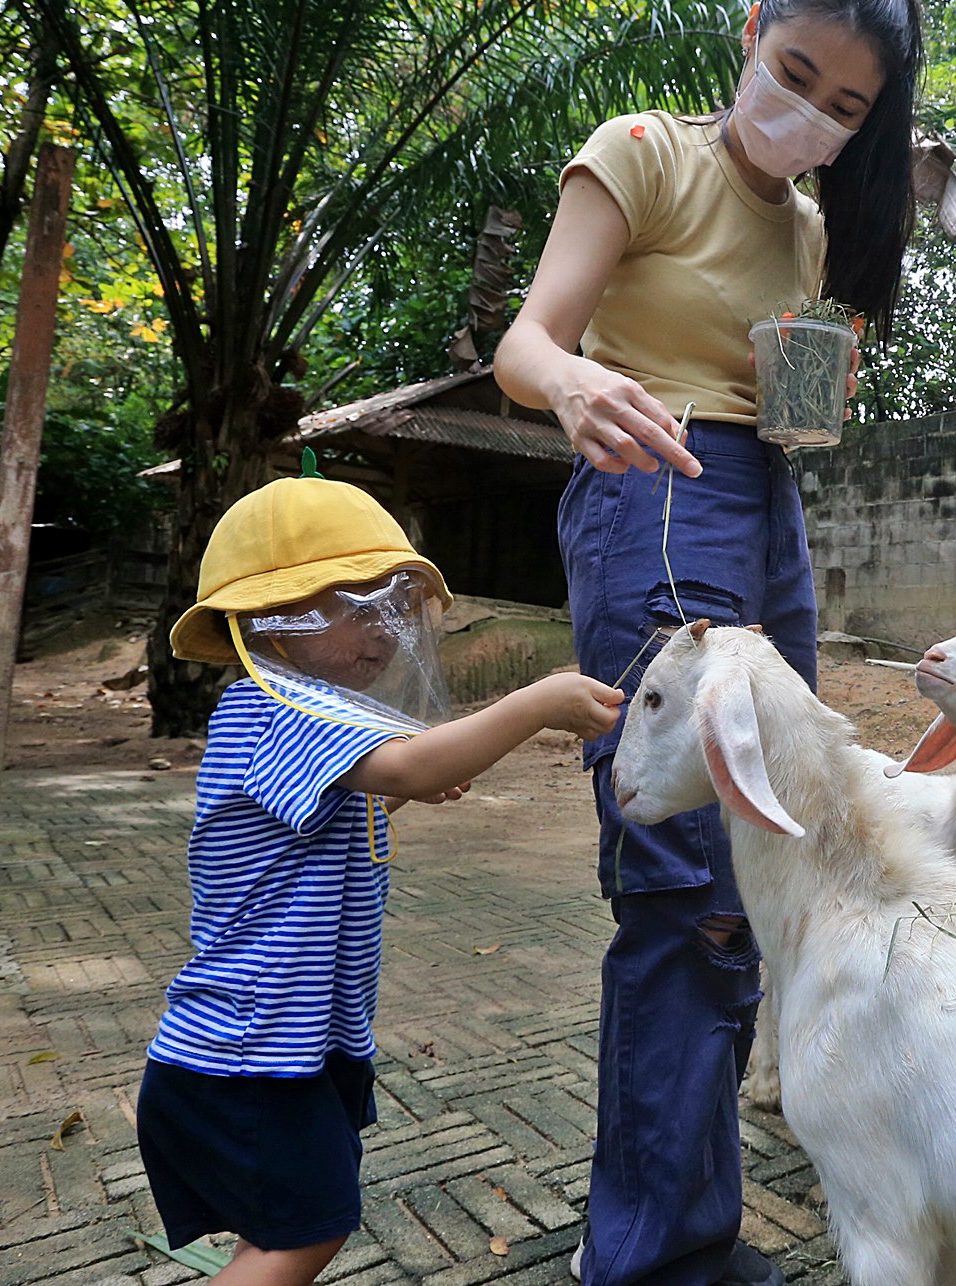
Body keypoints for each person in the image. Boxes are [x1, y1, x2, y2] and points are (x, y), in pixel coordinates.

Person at [494, 0, 924, 1286]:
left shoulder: (808, 231)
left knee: (768, 853)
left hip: (761, 499)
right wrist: (572, 385)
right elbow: (528, 341)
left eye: (845, 105)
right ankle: (651, 1255)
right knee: (686, 875)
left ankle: (687, 1221)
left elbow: (786, 409)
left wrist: (813, 379)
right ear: (751, 33)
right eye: (793, 72)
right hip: (653, 479)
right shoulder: (639, 153)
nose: (808, 112)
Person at [137, 473, 621, 1286]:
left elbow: (315, 829)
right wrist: (532, 704)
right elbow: (412, 758)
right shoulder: (272, 709)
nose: (384, 632)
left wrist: (401, 789)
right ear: (270, 622)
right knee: (306, 1233)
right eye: (354, 607)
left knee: (290, 1227)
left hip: (292, 1040)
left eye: (391, 608)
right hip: (251, 1052)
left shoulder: (303, 713)